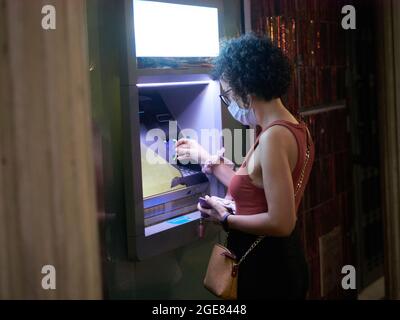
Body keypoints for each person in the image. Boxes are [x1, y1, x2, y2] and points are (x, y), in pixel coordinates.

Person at [175, 33, 315, 299]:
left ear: (245, 90)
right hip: (280, 261)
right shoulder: (292, 129)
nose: (228, 102)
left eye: (226, 93)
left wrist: (225, 218)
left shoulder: (273, 138)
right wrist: (206, 158)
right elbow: (258, 188)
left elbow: (282, 221)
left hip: (267, 269)